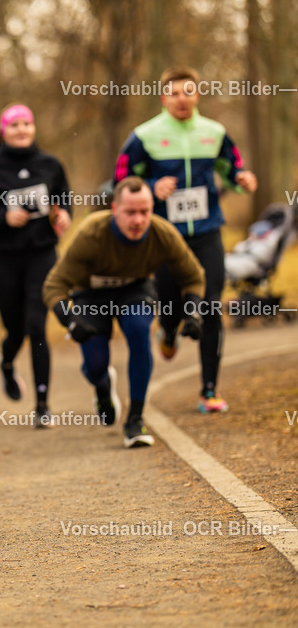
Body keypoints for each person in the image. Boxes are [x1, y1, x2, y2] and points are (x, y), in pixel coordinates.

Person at [115, 67, 258, 413]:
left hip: (207, 231)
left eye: (189, 91)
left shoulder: (214, 133)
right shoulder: (144, 136)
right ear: (164, 98)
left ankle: (209, 389)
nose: (182, 98)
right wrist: (150, 187)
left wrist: (243, 180)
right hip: (164, 234)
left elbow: (231, 169)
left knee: (210, 305)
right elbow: (119, 182)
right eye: (175, 93)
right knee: (169, 301)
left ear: (197, 95)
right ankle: (167, 329)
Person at [42, 177, 205, 447]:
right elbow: (54, 286)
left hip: (134, 289)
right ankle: (103, 386)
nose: (138, 220)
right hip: (91, 293)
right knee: (94, 365)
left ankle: (135, 420)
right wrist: (69, 321)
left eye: (145, 212)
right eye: (130, 212)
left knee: (140, 331)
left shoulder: (162, 233)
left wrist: (193, 313)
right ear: (114, 209)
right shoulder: (92, 233)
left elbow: (193, 276)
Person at [0, 104, 72, 427]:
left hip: (42, 254)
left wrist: (64, 213)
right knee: (16, 329)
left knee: (37, 325)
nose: (22, 130)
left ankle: (42, 405)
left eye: (27, 124)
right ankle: (7, 363)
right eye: (15, 125)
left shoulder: (50, 164)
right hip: (4, 259)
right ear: (3, 131)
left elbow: (63, 197)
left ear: (34, 128)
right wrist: (3, 217)